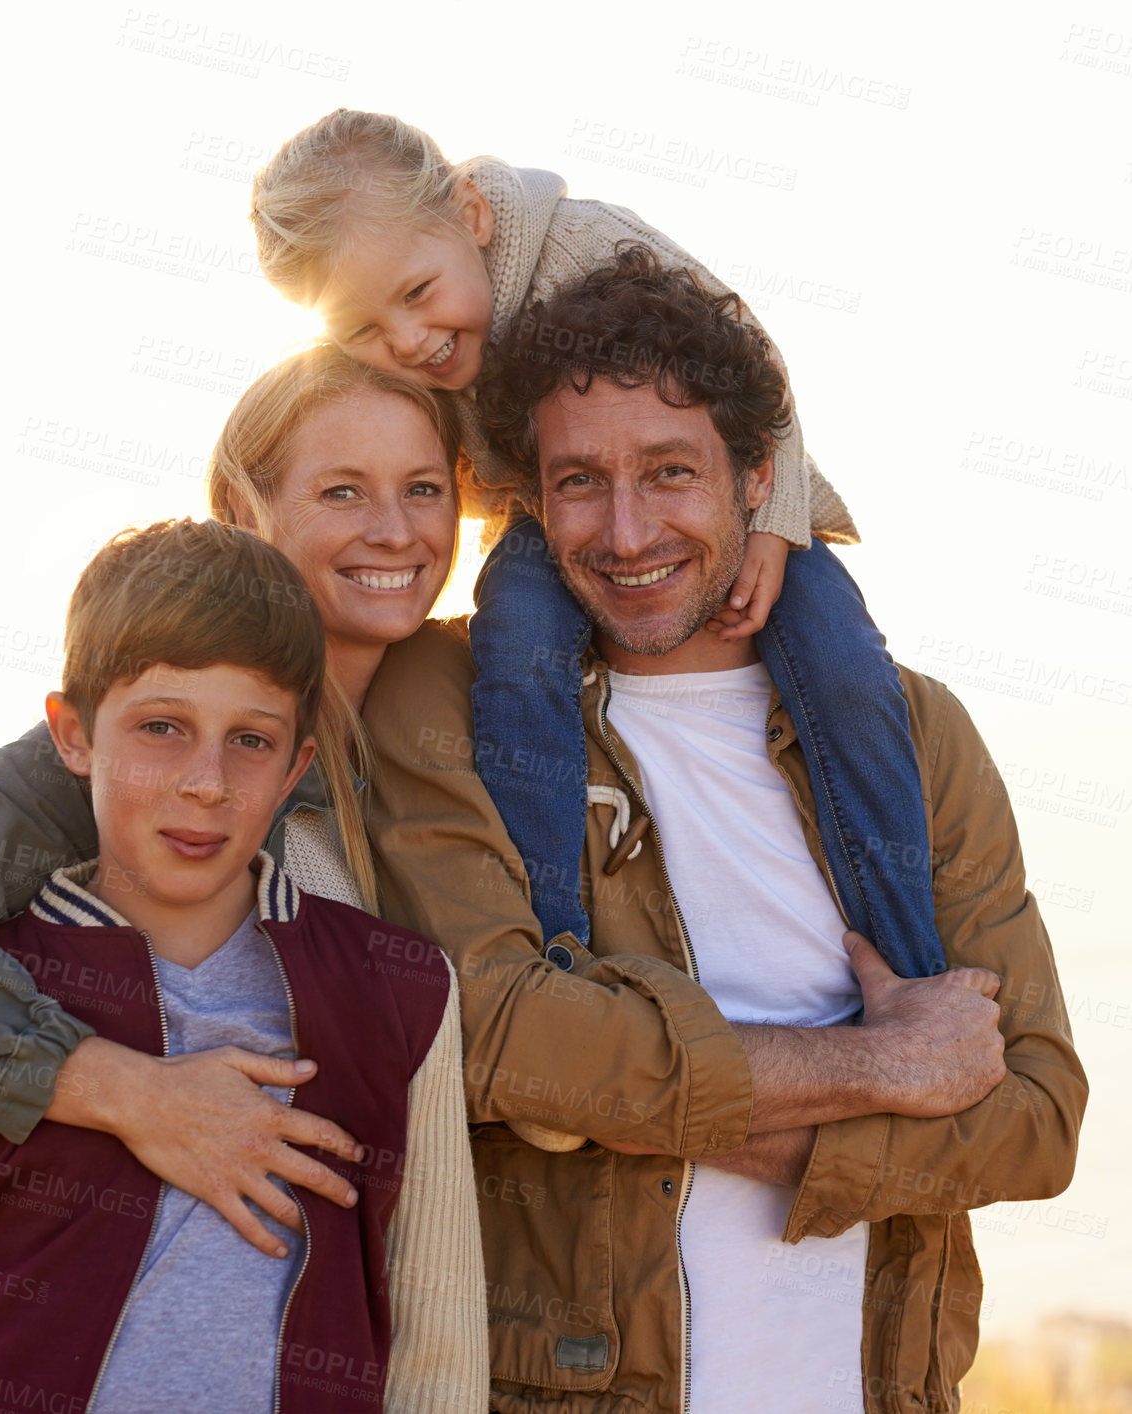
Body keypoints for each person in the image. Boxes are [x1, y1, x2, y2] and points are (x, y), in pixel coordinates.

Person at [358, 245, 1088, 1412]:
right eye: (580, 480)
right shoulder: (444, 699)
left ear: (757, 478)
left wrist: (626, 1101)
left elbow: (1037, 1116)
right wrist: (883, 1066)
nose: (628, 528)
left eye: (669, 471)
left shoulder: (910, 731)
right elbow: (492, 1040)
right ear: (533, 502)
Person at [250, 108, 944, 982]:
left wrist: (773, 527)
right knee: (517, 649)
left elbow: (753, 367)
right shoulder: (411, 368)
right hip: (547, 525)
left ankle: (910, 962)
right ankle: (555, 947)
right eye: (361, 329)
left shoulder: (580, 245)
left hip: (757, 509)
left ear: (471, 215)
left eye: (419, 293)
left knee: (845, 670)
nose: (408, 339)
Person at [0, 516, 487, 1414]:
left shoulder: (400, 990)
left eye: (250, 740)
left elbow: (436, 1342)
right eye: (162, 727)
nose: (205, 781)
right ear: (73, 737)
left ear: (298, 766)